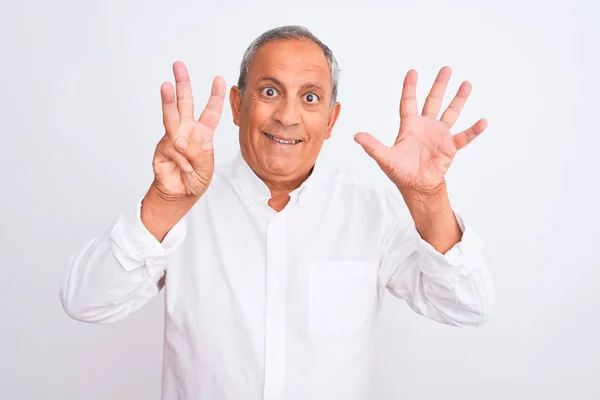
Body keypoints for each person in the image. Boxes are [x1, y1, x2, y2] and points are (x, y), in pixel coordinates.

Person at [60, 25, 495, 400]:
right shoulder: (184, 205)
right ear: (237, 104)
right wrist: (163, 203)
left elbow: (469, 306)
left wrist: (428, 198)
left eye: (310, 97)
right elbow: (85, 302)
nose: (287, 116)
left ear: (331, 119)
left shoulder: (371, 213)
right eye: (270, 91)